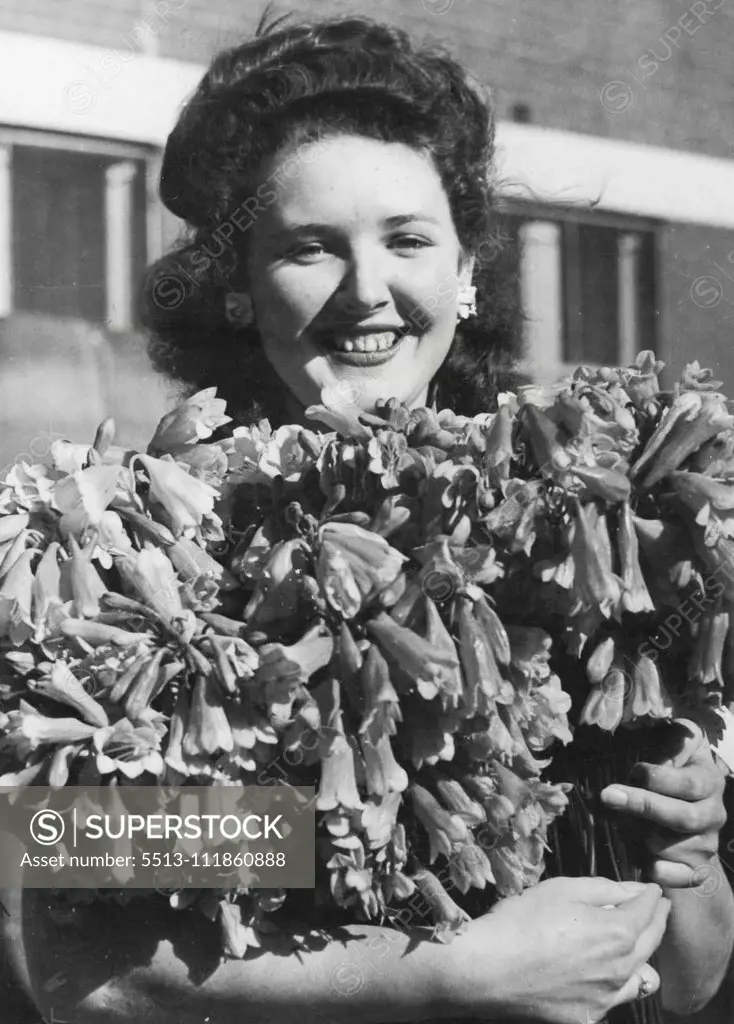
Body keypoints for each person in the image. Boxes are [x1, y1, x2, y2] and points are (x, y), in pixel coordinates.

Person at [3, 11, 732, 1024]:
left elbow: (685, 982)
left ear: (464, 271)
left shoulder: (574, 533)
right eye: (309, 248)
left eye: (405, 238)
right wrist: (438, 978)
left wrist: (686, 849)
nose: (367, 291)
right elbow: (75, 962)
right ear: (236, 290)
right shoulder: (137, 553)